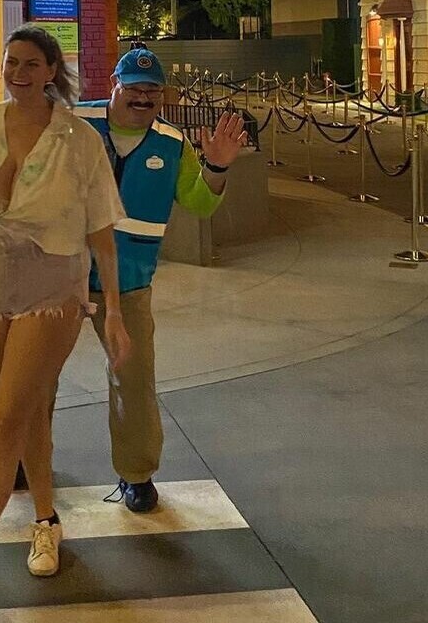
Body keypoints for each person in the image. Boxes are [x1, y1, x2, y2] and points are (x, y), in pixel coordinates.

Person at [0, 24, 131, 623]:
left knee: (3, 418)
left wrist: (114, 312)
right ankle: (46, 518)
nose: (17, 73)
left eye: (30, 64)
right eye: (10, 62)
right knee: (28, 408)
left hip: (52, 286)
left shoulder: (79, 139)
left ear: (51, 71)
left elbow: (101, 229)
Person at [76, 48, 248, 512]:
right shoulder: (74, 122)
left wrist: (217, 166)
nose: (143, 96)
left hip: (129, 282)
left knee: (133, 382)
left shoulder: (172, 143)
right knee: (35, 375)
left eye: (152, 90)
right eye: (133, 87)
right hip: (60, 274)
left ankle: (136, 474)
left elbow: (200, 203)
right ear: (113, 84)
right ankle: (22, 458)